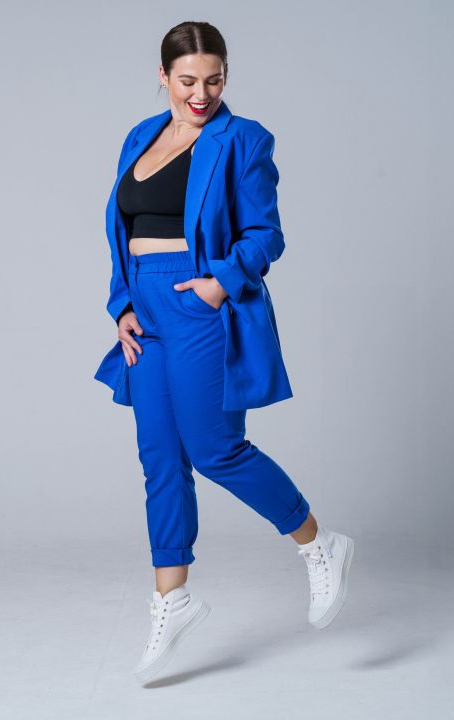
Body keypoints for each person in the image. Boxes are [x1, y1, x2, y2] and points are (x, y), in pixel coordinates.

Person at [94, 21, 355, 685]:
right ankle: (172, 598)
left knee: (213, 448)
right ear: (163, 76)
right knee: (160, 456)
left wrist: (217, 284)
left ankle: (318, 542)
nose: (201, 94)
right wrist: (122, 304)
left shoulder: (243, 139)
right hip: (144, 307)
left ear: (225, 77)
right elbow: (122, 230)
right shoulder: (139, 137)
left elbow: (266, 235)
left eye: (214, 80)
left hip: (196, 300)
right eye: (187, 81)